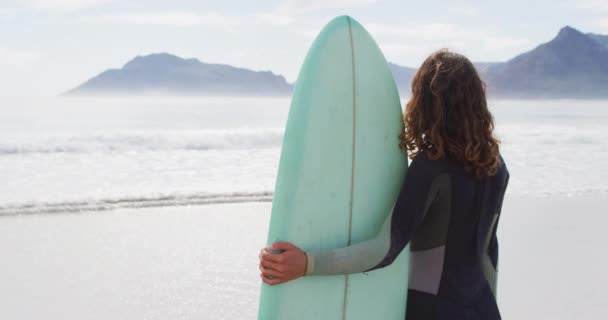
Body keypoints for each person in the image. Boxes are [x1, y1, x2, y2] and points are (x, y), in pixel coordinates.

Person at [258, 49, 510, 320]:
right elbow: (489, 252)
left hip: (434, 310)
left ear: (427, 103)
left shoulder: (432, 168)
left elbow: (385, 249)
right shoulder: (496, 167)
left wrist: (307, 263)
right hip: (482, 308)